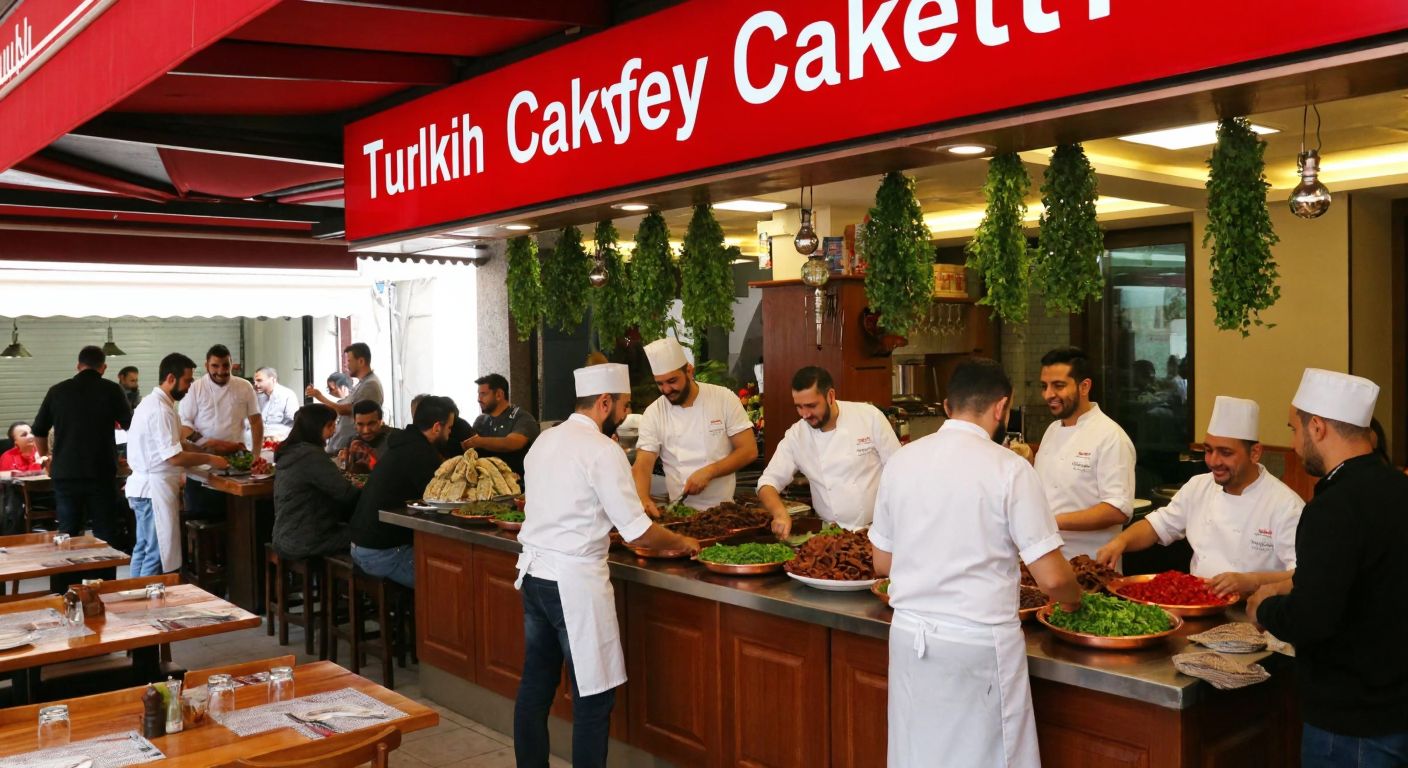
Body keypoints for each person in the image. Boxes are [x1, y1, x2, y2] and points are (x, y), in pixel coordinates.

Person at [870, 357, 1081, 768]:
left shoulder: (903, 461)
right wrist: (1075, 601)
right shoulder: (1010, 469)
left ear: (948, 406)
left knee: (918, 754)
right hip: (977, 644)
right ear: (1002, 408)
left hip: (910, 636)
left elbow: (883, 562)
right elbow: (1054, 579)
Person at [514, 363, 700, 768]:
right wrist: (682, 542)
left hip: (533, 575)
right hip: (573, 584)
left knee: (536, 687)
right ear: (604, 402)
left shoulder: (545, 440)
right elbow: (638, 532)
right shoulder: (602, 450)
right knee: (594, 699)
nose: (625, 413)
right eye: (624, 405)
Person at [1251, 369, 1408, 768]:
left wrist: (1263, 608)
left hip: (1351, 724)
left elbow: (1312, 618)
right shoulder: (1398, 486)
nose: (1294, 444)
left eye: (1294, 429)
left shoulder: (1333, 506)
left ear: (1317, 427)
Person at [1096, 396, 1303, 596]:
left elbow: (1301, 575)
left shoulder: (1286, 505)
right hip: (1198, 602)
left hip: (1253, 612)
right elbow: (1157, 526)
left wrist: (1251, 581)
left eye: (1226, 453)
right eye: (1208, 450)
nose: (1213, 461)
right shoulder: (1198, 486)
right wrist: (1121, 542)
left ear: (1255, 452)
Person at [756, 366, 900, 538]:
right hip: (830, 534)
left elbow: (900, 470)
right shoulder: (796, 435)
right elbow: (767, 482)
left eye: (811, 406)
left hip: (878, 530)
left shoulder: (869, 417)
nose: (805, 414)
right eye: (799, 407)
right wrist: (780, 513)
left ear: (830, 396)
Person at [1032, 346, 1137, 563]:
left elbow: (1117, 509)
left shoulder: (1110, 436)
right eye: (1044, 386)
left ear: (1084, 386)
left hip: (1091, 565)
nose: (1048, 394)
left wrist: (1052, 521)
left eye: (1058, 386)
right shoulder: (1052, 430)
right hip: (1047, 560)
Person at [126, 353, 228, 576]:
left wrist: (205, 450)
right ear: (171, 378)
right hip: (152, 489)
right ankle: (146, 597)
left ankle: (135, 594)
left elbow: (178, 444)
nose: (189, 387)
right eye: (187, 381)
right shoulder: (159, 409)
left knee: (144, 548)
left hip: (148, 487)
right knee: (155, 552)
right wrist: (210, 459)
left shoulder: (158, 404)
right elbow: (173, 457)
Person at [631, 337, 756, 515]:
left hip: (723, 511)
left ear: (689, 371)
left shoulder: (723, 398)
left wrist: (710, 471)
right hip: (680, 512)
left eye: (672, 381)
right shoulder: (654, 413)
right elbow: (643, 463)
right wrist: (643, 499)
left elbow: (749, 450)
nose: (666, 390)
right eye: (660, 384)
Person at [349, 395, 454, 588]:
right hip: (382, 553)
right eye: (449, 428)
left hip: (361, 545)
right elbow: (442, 500)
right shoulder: (420, 453)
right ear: (437, 427)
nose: (450, 433)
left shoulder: (402, 444)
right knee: (451, 579)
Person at [31, 345, 132, 542]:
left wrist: (45, 458)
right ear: (103, 367)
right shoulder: (112, 390)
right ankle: (104, 563)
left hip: (66, 472)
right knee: (105, 533)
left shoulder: (57, 391)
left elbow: (39, 430)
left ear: (78, 366)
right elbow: (131, 427)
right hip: (101, 471)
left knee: (68, 533)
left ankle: (67, 563)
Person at [179, 344, 262, 520]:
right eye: (215, 366)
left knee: (236, 519)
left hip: (235, 464)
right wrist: (208, 443)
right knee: (202, 520)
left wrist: (256, 454)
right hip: (201, 466)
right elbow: (184, 425)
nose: (221, 371)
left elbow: (256, 421)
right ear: (206, 365)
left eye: (225, 365)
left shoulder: (244, 386)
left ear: (232, 364)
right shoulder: (195, 388)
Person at [272, 404, 360, 560]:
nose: (334, 430)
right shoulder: (311, 455)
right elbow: (346, 493)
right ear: (315, 427)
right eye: (330, 425)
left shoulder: (290, 452)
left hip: (284, 536)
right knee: (368, 533)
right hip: (306, 540)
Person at [464, 374, 540, 477]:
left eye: (483, 394)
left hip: (517, 482)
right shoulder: (480, 421)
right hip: (485, 480)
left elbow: (513, 443)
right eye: (478, 394)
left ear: (499, 395)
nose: (479, 399)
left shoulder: (522, 418)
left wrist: (478, 441)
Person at [306, 342, 383, 422]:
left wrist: (320, 397)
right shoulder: (362, 383)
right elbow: (343, 405)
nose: (346, 365)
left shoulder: (370, 384)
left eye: (349, 361)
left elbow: (348, 410)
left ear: (361, 361)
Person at [343, 400, 391, 474]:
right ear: (355, 423)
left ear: (381, 421)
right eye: (360, 424)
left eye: (371, 424)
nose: (366, 431)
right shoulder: (353, 442)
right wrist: (349, 459)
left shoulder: (394, 441)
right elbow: (349, 473)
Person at [324, 372, 355, 455]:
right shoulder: (339, 402)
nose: (330, 393)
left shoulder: (351, 403)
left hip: (343, 450)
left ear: (343, 387)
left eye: (332, 389)